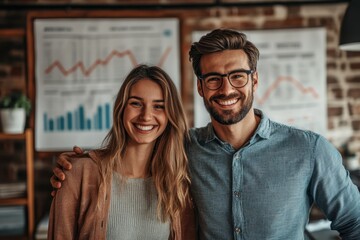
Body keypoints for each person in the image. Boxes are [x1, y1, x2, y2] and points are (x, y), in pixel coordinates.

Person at [51, 29, 360, 239]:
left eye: (237, 76)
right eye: (213, 79)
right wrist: (77, 166)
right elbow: (136, 150)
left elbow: (354, 222)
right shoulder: (184, 150)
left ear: (254, 80)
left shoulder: (308, 150)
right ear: (200, 86)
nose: (226, 89)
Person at [47, 64, 196, 240]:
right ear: (121, 109)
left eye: (158, 106)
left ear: (170, 115)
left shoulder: (179, 182)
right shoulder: (78, 173)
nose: (146, 116)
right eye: (136, 103)